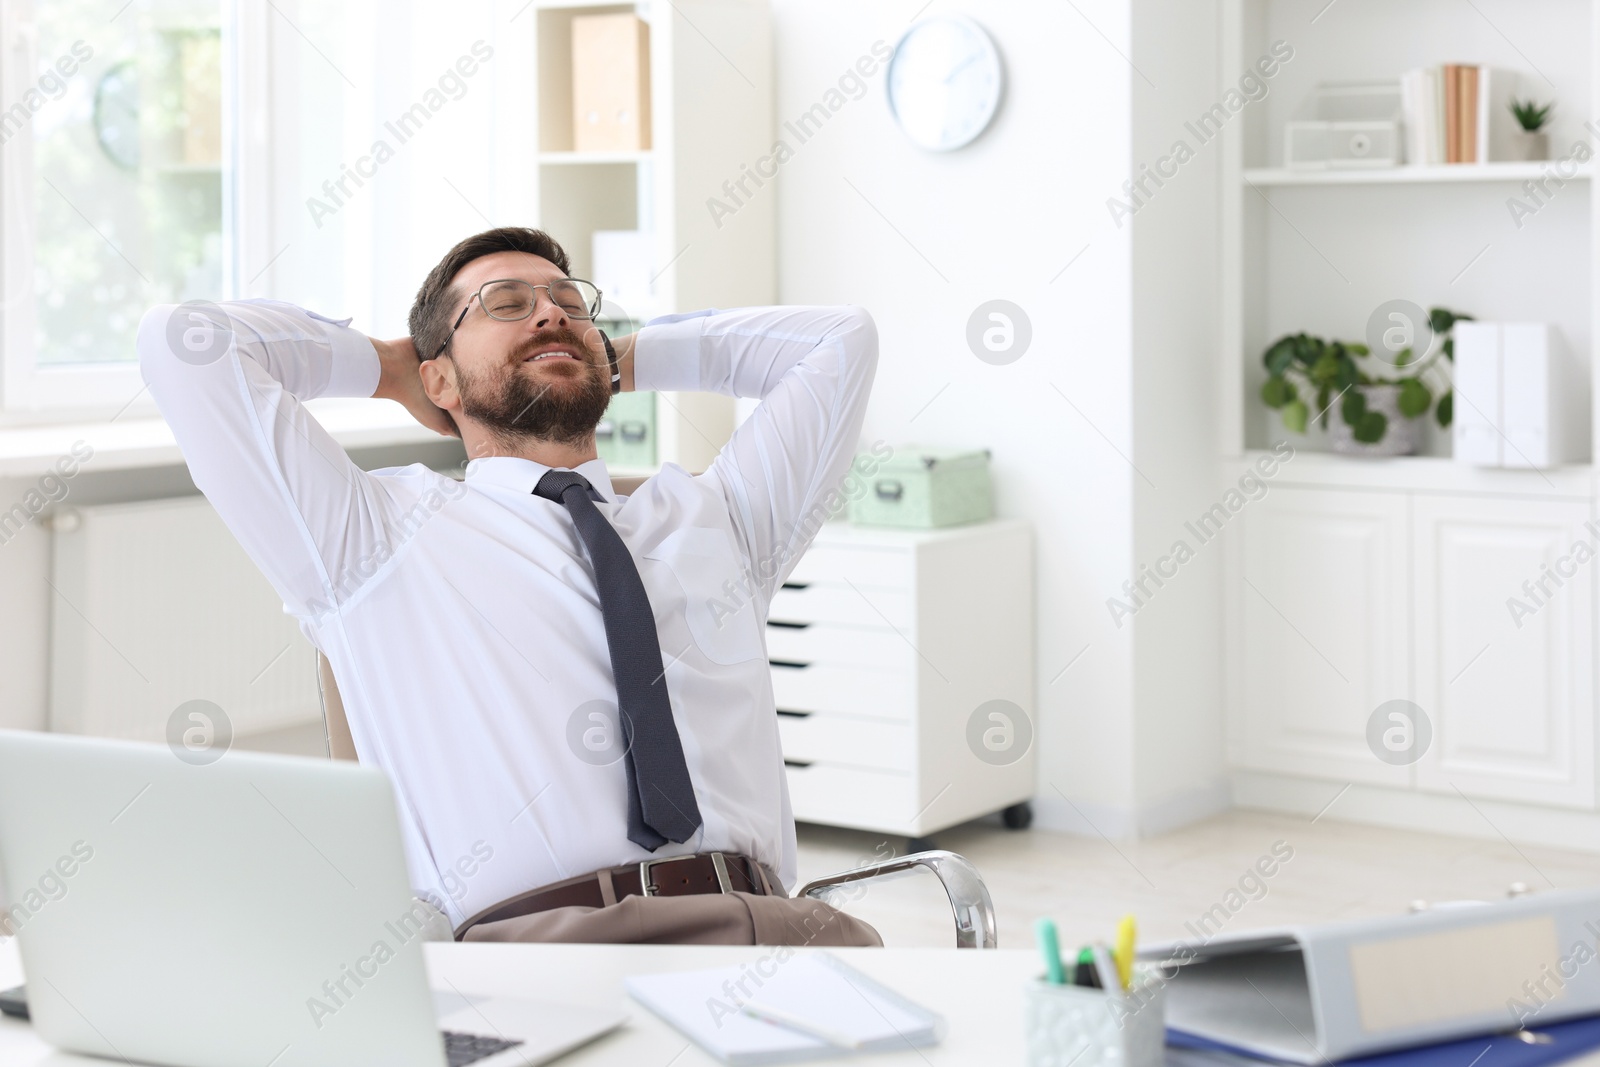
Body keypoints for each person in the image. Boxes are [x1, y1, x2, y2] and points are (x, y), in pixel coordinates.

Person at [138, 226, 882, 946]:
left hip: (773, 927)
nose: (552, 311)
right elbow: (187, 344)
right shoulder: (371, 537)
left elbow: (839, 342)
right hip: (550, 949)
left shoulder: (717, 518)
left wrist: (612, 356)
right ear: (439, 377)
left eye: (570, 303)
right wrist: (389, 368)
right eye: (505, 303)